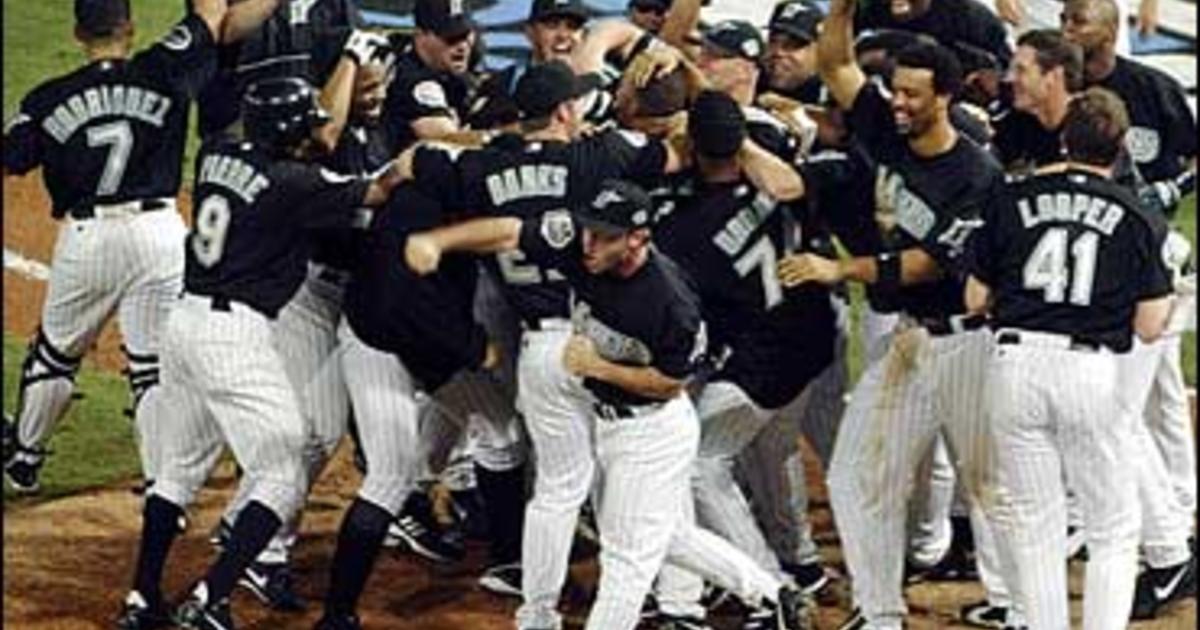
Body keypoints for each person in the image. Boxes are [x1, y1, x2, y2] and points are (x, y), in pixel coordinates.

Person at [403, 178, 815, 630]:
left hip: (653, 431)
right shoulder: (582, 248)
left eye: (604, 236)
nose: (589, 243)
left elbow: (669, 383)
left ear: (638, 239)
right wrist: (437, 241)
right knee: (665, 535)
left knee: (626, 562)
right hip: (610, 425)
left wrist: (600, 368)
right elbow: (507, 230)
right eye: (587, 229)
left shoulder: (668, 301)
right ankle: (774, 595)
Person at [115, 76, 404, 630]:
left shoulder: (216, 152)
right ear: (292, 132)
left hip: (184, 324)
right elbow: (376, 190)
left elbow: (300, 144)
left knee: (177, 471)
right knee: (285, 470)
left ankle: (141, 598)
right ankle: (212, 596)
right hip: (232, 335)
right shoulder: (291, 181)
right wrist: (414, 161)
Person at [778, 0, 1007, 625]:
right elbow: (834, 61)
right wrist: (844, 7)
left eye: (911, 94)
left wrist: (838, 270)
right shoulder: (885, 126)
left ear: (945, 97)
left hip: (967, 347)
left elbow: (927, 263)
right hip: (909, 342)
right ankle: (878, 611)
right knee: (853, 477)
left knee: (990, 487)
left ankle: (1016, 606)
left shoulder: (975, 175)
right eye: (894, 90)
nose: (897, 102)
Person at [964, 86, 1175, 630]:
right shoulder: (1136, 214)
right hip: (1087, 372)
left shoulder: (1011, 199)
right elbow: (1151, 327)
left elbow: (975, 299)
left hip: (1012, 369)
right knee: (1112, 529)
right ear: (1122, 146)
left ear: (1063, 138)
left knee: (1036, 526)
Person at [206, 28, 398, 613]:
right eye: (368, 78)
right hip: (309, 295)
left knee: (323, 429)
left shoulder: (380, 126)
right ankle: (263, 550)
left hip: (353, 299)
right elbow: (332, 137)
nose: (378, 87)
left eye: (383, 77)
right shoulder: (316, 142)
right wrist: (348, 66)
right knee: (310, 429)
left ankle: (244, 518)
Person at [2, 0, 224, 495]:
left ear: (79, 33)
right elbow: (212, 13)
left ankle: (25, 458)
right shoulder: (163, 68)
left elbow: (9, 159)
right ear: (130, 26)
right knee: (150, 364)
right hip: (160, 235)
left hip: (89, 239)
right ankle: (162, 482)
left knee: (56, 354)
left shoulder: (46, 98)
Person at [650, 90, 838, 628]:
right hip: (809, 336)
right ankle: (800, 561)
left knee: (700, 465)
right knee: (773, 449)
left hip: (761, 356)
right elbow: (785, 166)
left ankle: (768, 589)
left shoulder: (681, 226)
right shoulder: (778, 170)